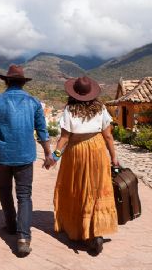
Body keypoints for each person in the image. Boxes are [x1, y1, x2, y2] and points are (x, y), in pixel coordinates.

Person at [0, 64, 54, 257]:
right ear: (23, 83)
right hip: (25, 156)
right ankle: (23, 238)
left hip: (4, 157)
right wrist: (48, 154)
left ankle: (11, 225)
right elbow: (42, 132)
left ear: (6, 81)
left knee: (4, 191)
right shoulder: (33, 102)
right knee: (24, 196)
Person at [45, 76, 119, 255]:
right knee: (98, 188)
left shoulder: (70, 110)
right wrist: (114, 158)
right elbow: (108, 136)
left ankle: (81, 229)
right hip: (98, 150)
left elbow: (64, 138)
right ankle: (96, 230)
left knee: (78, 189)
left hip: (76, 152)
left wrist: (53, 157)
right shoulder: (101, 109)